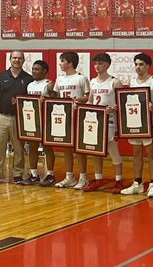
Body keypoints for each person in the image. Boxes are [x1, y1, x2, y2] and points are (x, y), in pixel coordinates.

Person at [0, 51, 33, 186]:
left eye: (19, 58)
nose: (17, 60)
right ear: (10, 59)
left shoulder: (28, 79)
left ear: (24, 60)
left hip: (20, 119)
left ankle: (18, 174)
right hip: (2, 117)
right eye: (14, 58)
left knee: (19, 148)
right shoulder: (0, 77)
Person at [121, 53, 153, 198]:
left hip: (150, 124)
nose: (138, 67)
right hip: (135, 123)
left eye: (141, 64)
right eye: (136, 64)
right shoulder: (132, 82)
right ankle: (137, 183)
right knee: (136, 154)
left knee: (151, 154)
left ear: (148, 66)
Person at [83, 53, 125, 193]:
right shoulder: (93, 81)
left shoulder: (115, 82)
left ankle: (119, 180)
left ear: (107, 65)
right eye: (95, 63)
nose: (97, 66)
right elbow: (90, 101)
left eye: (100, 63)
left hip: (110, 121)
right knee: (96, 151)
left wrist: (115, 109)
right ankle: (98, 178)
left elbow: (123, 103)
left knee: (114, 151)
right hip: (96, 122)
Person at [53, 51, 91, 190]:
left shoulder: (81, 78)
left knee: (79, 148)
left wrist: (79, 100)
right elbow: (57, 97)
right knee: (66, 147)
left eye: (62, 61)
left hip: (78, 117)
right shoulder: (59, 79)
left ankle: (83, 177)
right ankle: (69, 176)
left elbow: (88, 98)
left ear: (70, 63)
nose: (60, 63)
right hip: (64, 117)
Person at [23, 60, 56, 186]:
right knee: (32, 146)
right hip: (33, 120)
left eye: (37, 69)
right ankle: (34, 173)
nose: (34, 71)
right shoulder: (30, 85)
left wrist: (48, 98)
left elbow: (55, 100)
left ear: (45, 71)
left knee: (47, 146)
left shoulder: (48, 85)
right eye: (33, 69)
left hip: (46, 120)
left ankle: (50, 174)